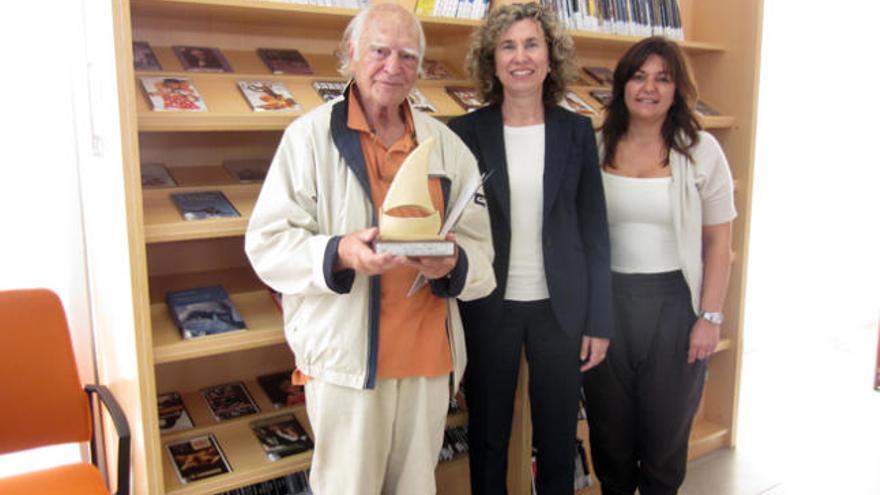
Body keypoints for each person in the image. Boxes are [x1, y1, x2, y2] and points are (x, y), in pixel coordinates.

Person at [244, 4, 495, 494]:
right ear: (352, 56)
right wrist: (341, 252)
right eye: (380, 51)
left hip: (428, 362)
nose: (393, 66)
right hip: (346, 365)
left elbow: (483, 259)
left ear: (419, 68)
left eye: (407, 56)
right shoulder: (308, 138)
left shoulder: (447, 147)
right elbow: (267, 245)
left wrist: (454, 262)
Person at [447, 3, 613, 493]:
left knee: (558, 439)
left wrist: (599, 322)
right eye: (508, 46)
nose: (521, 57)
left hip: (560, 311)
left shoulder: (576, 132)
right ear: (492, 60)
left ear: (550, 56)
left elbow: (595, 230)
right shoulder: (465, 133)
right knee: (488, 437)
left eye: (532, 44)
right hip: (488, 306)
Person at [581, 36, 737, 495]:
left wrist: (710, 318)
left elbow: (718, 242)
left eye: (662, 78)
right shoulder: (593, 147)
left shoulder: (702, 151)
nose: (649, 88)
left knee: (665, 442)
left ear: (677, 89)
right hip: (606, 308)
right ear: (622, 86)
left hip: (675, 306)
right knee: (610, 438)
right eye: (639, 76)